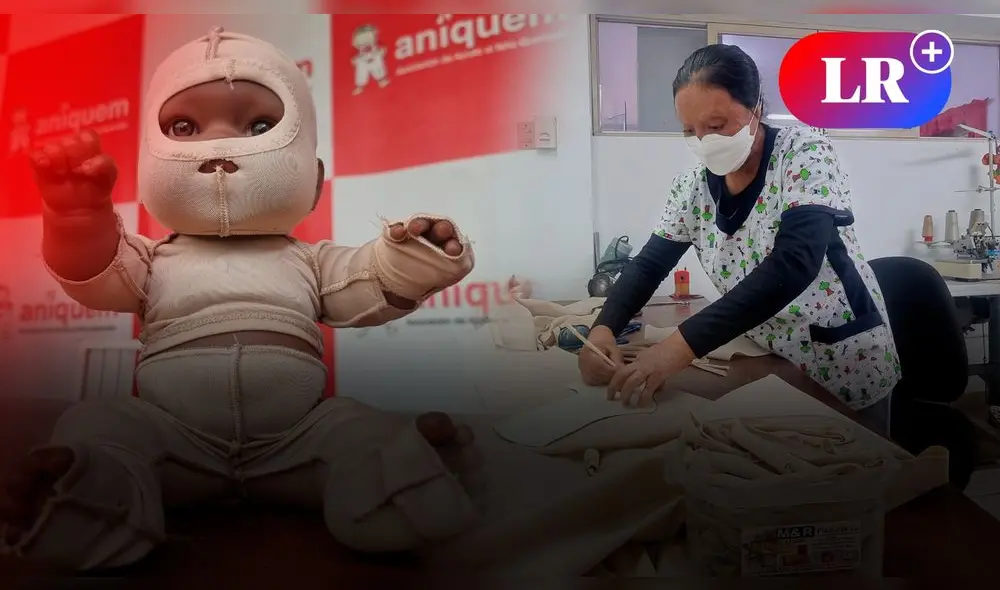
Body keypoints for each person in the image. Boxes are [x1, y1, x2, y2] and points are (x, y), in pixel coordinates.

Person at [0, 28, 480, 571]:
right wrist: (77, 219)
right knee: (100, 427)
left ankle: (401, 486)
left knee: (359, 429)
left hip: (300, 440)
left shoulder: (311, 259)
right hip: (168, 438)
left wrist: (411, 259)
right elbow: (94, 268)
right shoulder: (152, 259)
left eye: (258, 125)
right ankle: (81, 501)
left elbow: (363, 281)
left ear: (316, 180)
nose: (220, 146)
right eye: (184, 126)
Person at [578, 44, 899, 434]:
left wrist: (675, 350)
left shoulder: (804, 154)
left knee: (857, 474)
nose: (703, 141)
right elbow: (648, 264)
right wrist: (603, 328)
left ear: (756, 109)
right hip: (767, 357)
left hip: (837, 357)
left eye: (716, 126)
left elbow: (795, 263)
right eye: (689, 131)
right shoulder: (693, 187)